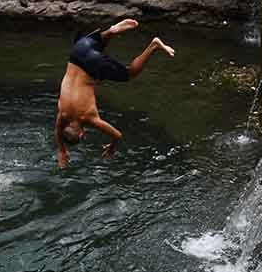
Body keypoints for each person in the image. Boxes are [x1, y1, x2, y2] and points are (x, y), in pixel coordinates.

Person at [55, 18, 176, 169]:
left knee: (130, 74)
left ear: (81, 134)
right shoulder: (62, 113)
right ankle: (111, 32)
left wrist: (112, 147)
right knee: (93, 48)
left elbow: (117, 135)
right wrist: (61, 150)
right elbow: (58, 130)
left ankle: (154, 45)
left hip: (93, 63)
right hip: (78, 50)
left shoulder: (87, 118)